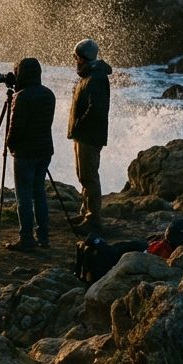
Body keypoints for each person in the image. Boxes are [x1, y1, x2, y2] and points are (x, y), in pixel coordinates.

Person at [5, 58, 56, 251]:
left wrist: (10, 145)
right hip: (44, 150)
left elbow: (15, 128)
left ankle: (26, 238)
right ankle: (43, 236)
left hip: (25, 153)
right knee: (39, 193)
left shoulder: (22, 97)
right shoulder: (48, 94)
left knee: (24, 196)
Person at [68, 38, 112, 233]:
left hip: (89, 135)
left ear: (83, 57)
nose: (75, 60)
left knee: (89, 176)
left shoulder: (96, 78)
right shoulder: (88, 76)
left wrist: (79, 124)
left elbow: (97, 109)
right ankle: (86, 211)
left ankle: (93, 219)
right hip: (83, 134)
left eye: (76, 56)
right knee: (83, 175)